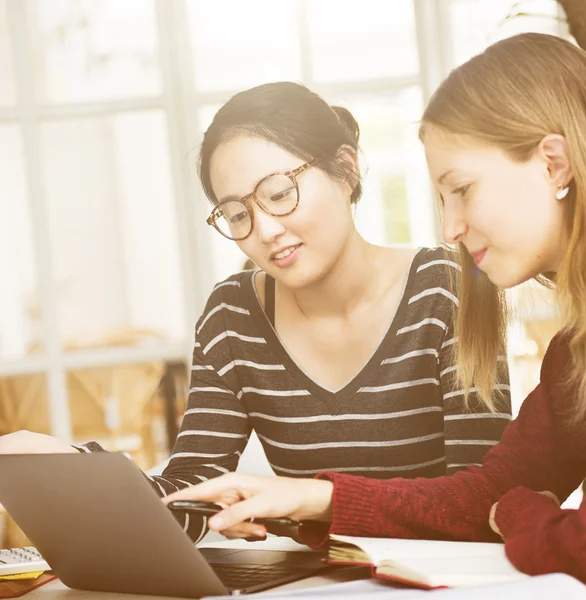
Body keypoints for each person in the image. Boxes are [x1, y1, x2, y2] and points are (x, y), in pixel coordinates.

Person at [161, 34, 586, 593]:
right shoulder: (577, 349)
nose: (450, 229)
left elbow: (583, 542)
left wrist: (514, 511)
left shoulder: (449, 289)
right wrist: (311, 496)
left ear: (554, 164)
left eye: (461, 189)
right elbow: (490, 492)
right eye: (235, 213)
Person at [0, 83, 510, 543]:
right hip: (323, 586)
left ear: (346, 169)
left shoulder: (449, 290)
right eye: (238, 213)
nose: (264, 231)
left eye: (279, 194)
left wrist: (316, 502)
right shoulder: (234, 315)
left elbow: (481, 501)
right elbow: (191, 499)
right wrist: (78, 468)